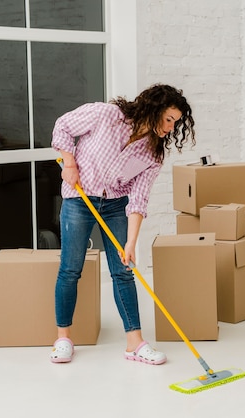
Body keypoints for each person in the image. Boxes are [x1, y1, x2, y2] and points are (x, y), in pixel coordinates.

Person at [49, 84, 195, 364]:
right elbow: (63, 126)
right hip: (79, 200)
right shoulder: (106, 115)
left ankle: (135, 344)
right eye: (168, 119)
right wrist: (69, 163)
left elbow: (138, 199)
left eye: (175, 123)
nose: (170, 128)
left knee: (124, 272)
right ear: (153, 109)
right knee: (70, 269)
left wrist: (130, 242)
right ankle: (63, 339)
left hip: (115, 205)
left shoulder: (153, 153)